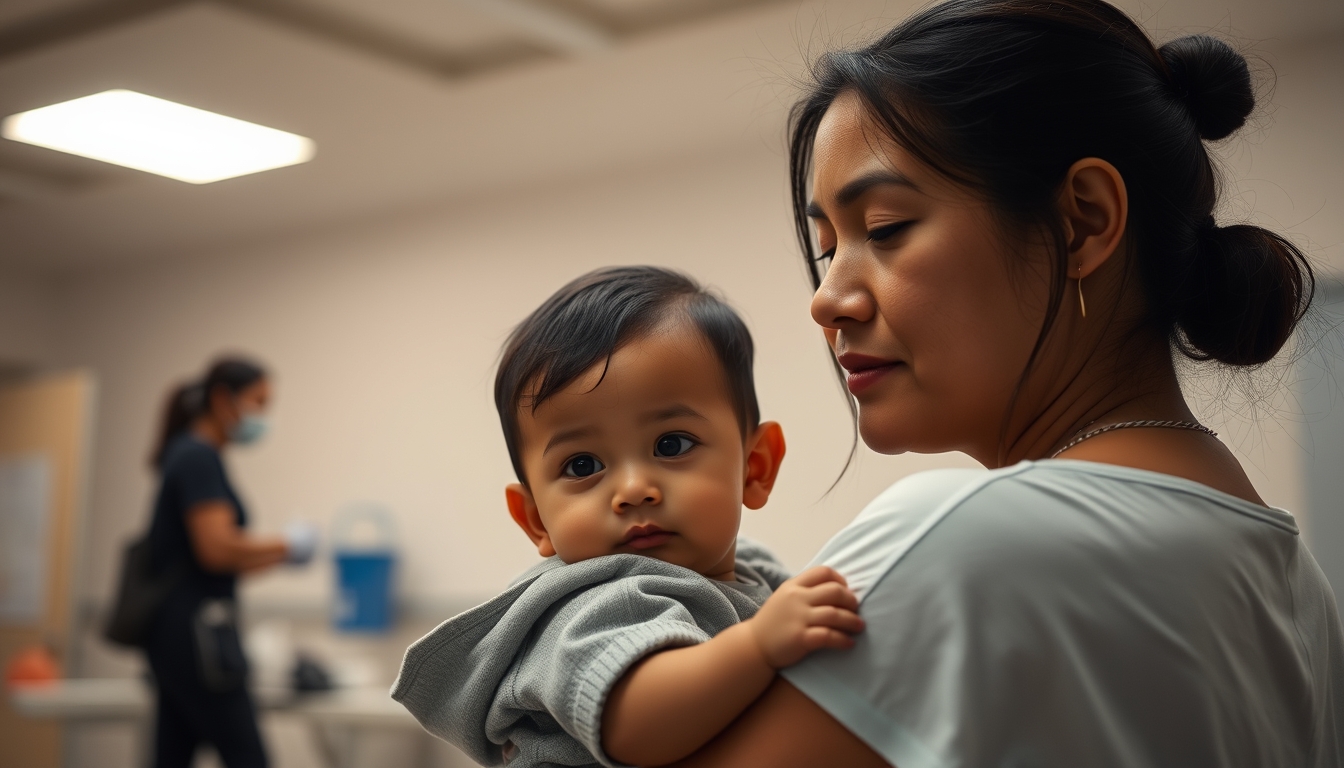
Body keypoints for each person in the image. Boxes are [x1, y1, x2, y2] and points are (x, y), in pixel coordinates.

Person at [663, 1, 1344, 766]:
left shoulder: (961, 542)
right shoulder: (1295, 586)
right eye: (827, 251)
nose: (826, 300)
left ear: (1082, 221)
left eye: (884, 228)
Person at [392, 267, 865, 767]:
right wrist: (759, 646)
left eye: (671, 444)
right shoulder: (592, 603)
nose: (634, 490)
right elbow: (637, 726)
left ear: (755, 467)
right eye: (582, 466)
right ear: (536, 520)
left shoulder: (758, 577)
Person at [144, 357, 317, 768]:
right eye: (258, 402)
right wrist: (288, 547)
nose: (264, 416)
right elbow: (217, 549)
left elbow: (215, 560)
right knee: (246, 756)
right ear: (224, 400)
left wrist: (276, 555)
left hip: (175, 635)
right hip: (199, 636)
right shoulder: (197, 457)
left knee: (172, 753)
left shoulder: (191, 454)